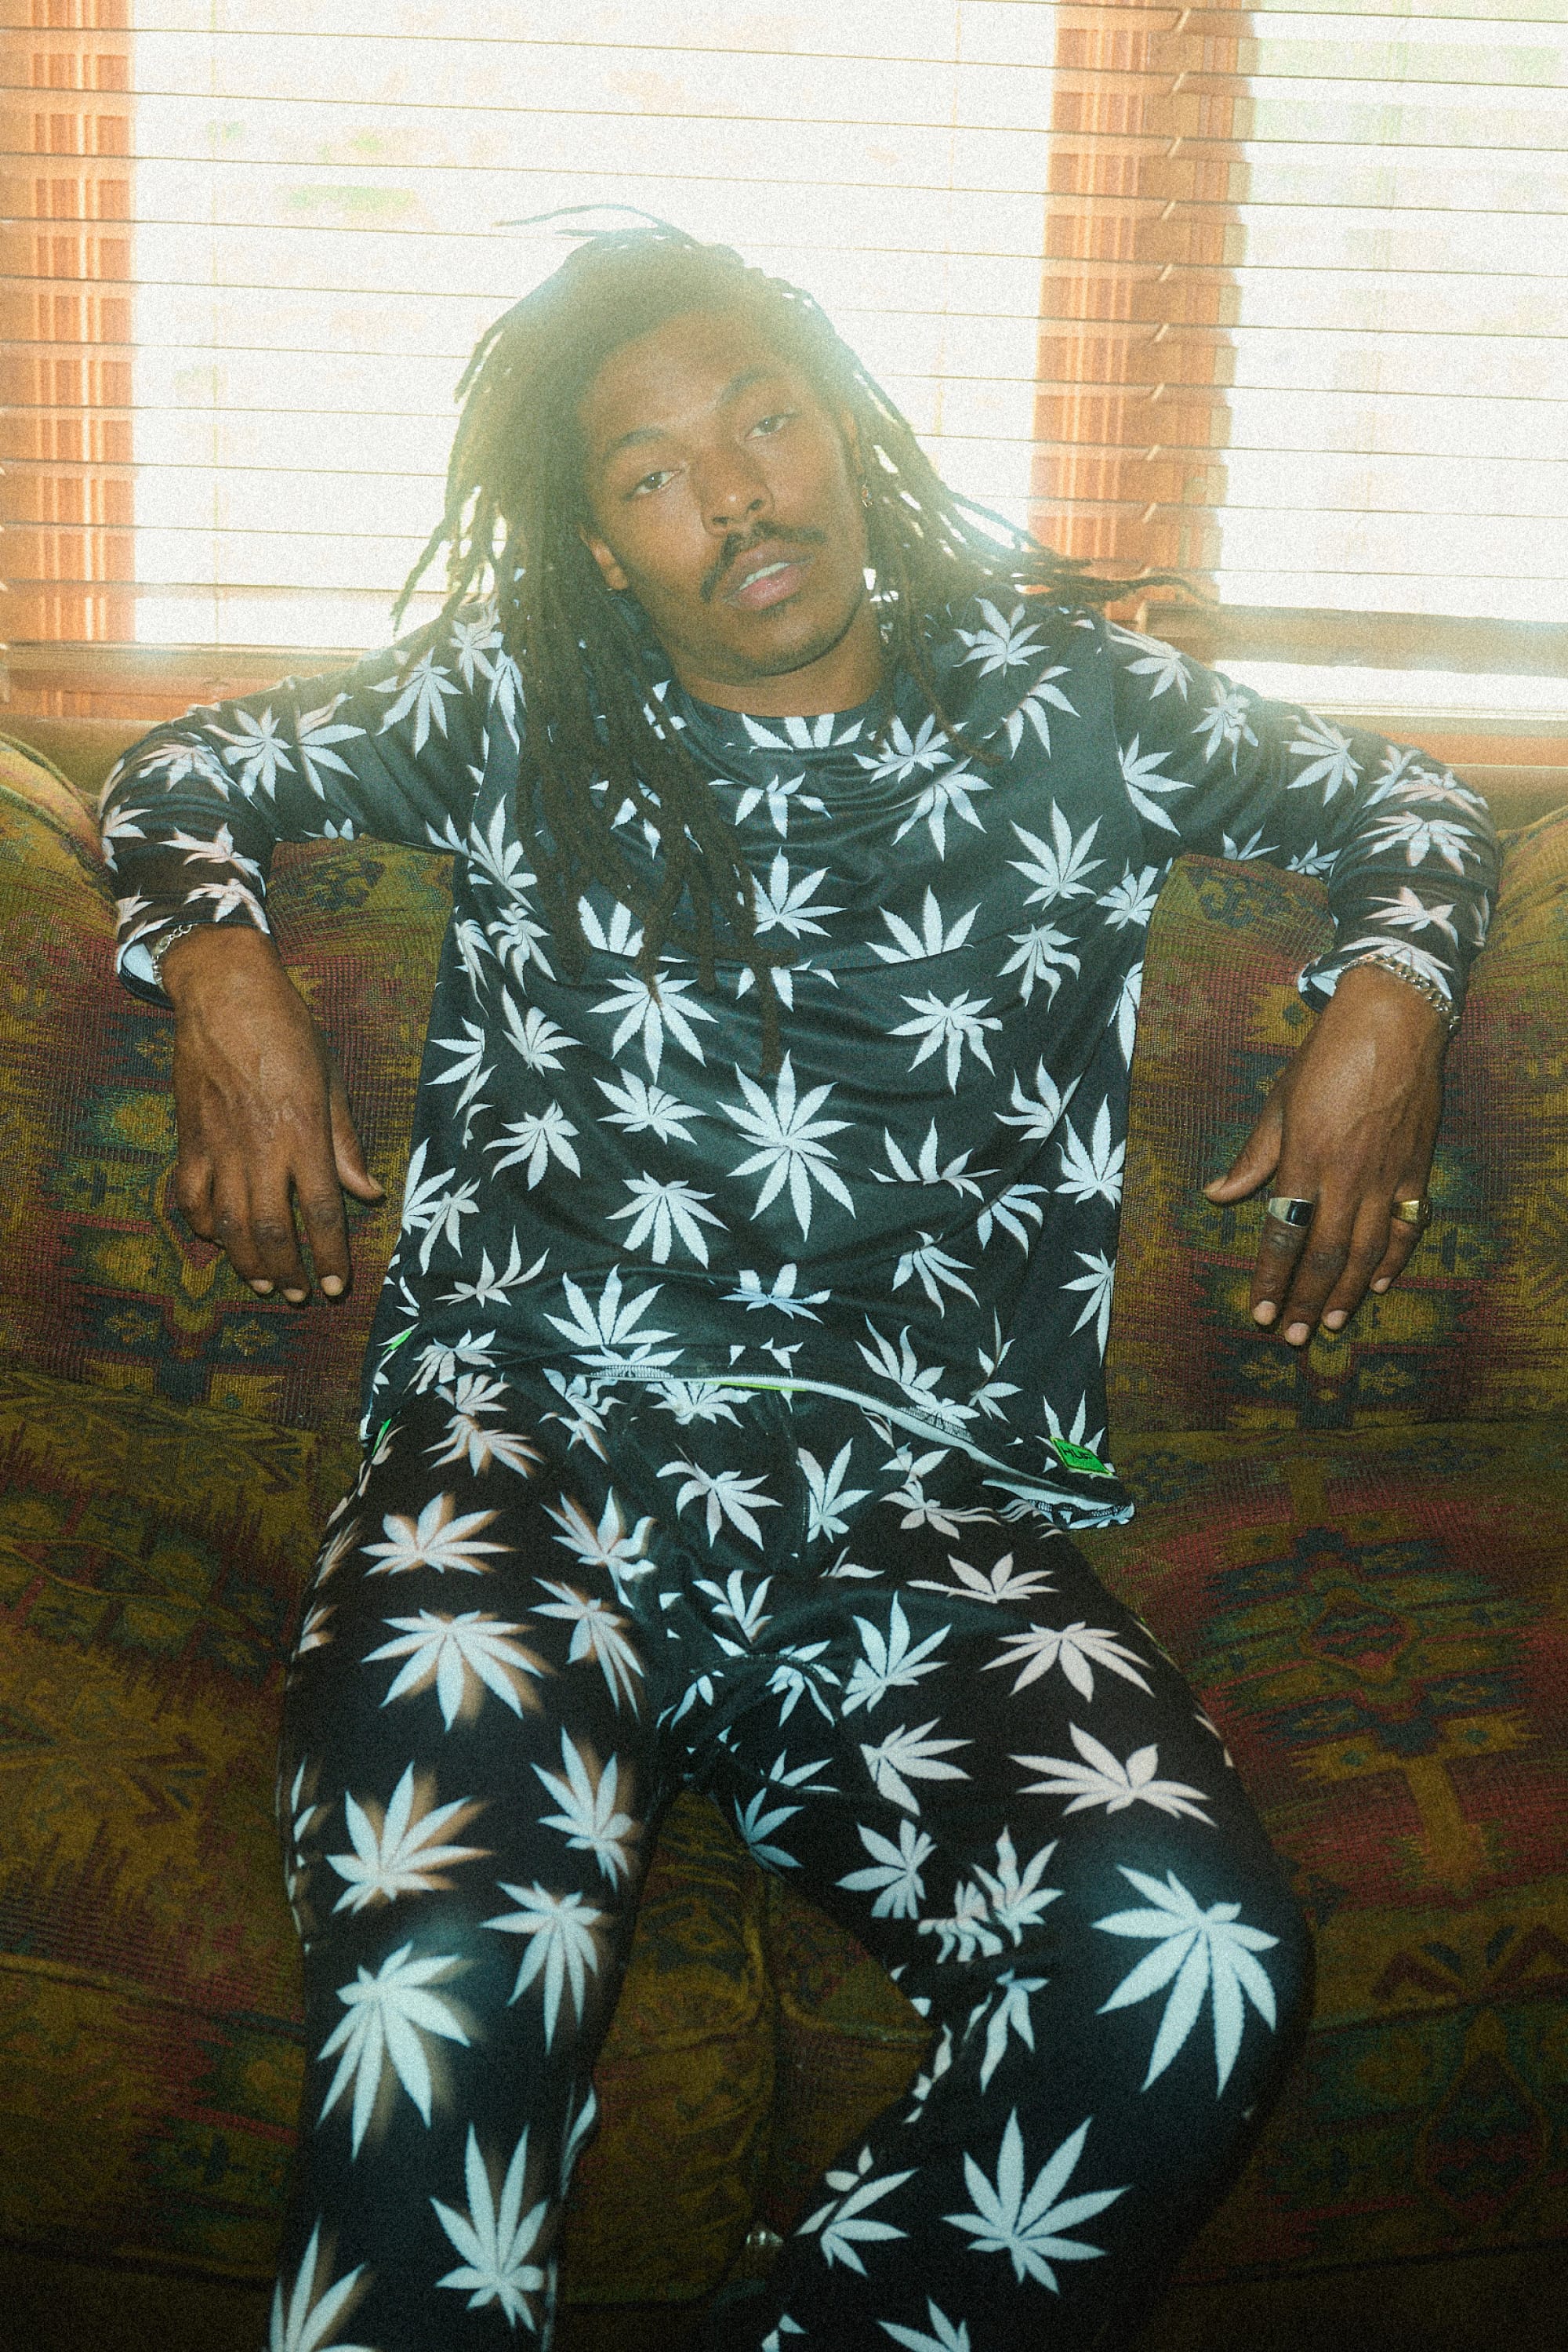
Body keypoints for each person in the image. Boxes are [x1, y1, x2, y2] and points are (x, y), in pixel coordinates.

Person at [101, 223, 1495, 2352]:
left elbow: (1412, 806)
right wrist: (228, 986)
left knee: (1191, 1962)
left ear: (844, 422)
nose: (739, 495)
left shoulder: (1073, 708)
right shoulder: (517, 707)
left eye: (764, 419)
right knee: (448, 1973)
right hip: (527, 1460)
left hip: (912, 1512)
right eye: (655, 474)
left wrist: (1388, 1007)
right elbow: (182, 777)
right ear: (601, 549)